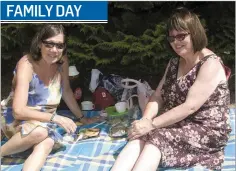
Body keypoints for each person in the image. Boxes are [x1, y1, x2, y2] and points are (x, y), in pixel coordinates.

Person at [111, 7, 231, 171]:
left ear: (194, 33)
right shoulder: (174, 63)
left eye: (181, 36)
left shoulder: (210, 64)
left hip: (205, 129)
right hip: (178, 122)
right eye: (172, 38)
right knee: (141, 135)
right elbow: (157, 96)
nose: (176, 42)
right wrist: (145, 120)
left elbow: (190, 106)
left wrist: (152, 125)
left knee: (156, 139)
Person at [1, 24, 100, 171]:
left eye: (59, 46)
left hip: (43, 122)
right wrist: (56, 118)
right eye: (49, 44)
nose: (54, 50)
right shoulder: (27, 64)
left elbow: (66, 90)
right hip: (16, 120)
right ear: (40, 44)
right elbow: (18, 111)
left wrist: (81, 118)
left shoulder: (62, 61)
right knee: (41, 132)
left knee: (47, 142)